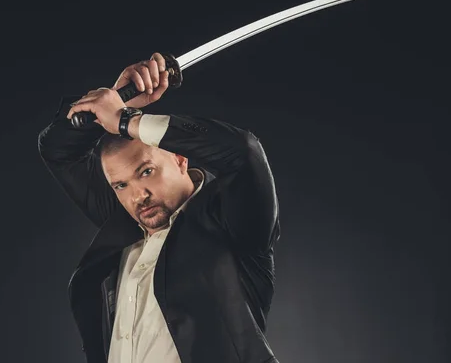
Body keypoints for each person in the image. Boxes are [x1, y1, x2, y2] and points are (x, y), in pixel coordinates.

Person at [37, 52, 281, 363]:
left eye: (146, 171)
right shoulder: (122, 223)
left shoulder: (232, 223)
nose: (138, 196)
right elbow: (57, 151)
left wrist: (128, 121)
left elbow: (244, 152)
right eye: (120, 185)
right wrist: (116, 105)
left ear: (180, 159)